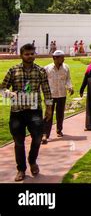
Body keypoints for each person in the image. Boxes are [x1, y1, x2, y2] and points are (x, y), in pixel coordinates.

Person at [0, 43, 53, 181]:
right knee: (18, 141)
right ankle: (21, 169)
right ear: (21, 55)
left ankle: (32, 160)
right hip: (17, 112)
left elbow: (46, 90)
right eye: (27, 54)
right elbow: (2, 88)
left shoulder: (40, 71)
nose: (30, 56)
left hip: (35, 111)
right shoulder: (13, 70)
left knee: (37, 138)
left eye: (32, 54)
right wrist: (8, 93)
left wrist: (49, 108)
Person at [42, 50, 73, 144]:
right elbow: (43, 82)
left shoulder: (66, 67)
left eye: (63, 57)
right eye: (61, 57)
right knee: (48, 115)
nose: (63, 59)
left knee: (60, 114)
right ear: (54, 58)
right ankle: (45, 134)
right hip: (50, 95)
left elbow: (68, 79)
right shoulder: (47, 68)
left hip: (62, 94)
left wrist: (70, 87)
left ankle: (59, 130)